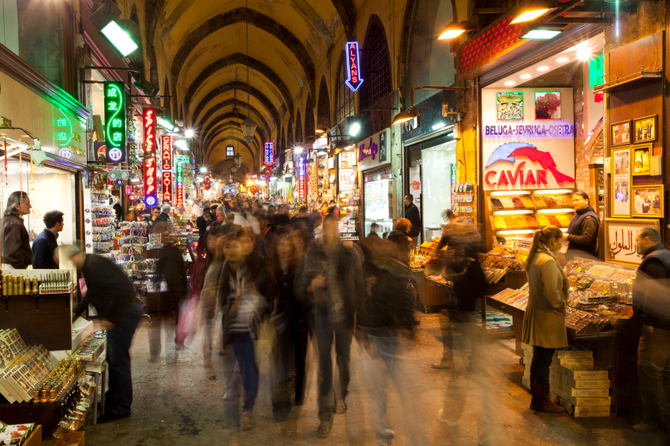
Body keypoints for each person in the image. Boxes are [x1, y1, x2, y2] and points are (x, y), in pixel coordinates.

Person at [299, 215, 364, 438]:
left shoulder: (349, 253)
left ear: (337, 230)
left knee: (344, 361)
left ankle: (341, 394)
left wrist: (360, 318)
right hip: (323, 315)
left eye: (332, 228)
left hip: (344, 315)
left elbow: (358, 283)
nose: (329, 232)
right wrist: (312, 285)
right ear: (321, 231)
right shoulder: (314, 253)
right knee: (324, 366)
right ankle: (324, 414)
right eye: (325, 228)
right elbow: (303, 286)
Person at [358, 236, 424, 446]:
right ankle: (385, 434)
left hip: (389, 334)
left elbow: (404, 298)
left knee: (397, 387)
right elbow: (361, 302)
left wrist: (409, 326)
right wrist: (363, 332)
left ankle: (409, 434)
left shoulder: (393, 271)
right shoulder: (368, 271)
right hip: (377, 334)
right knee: (382, 388)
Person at [68, 246, 143, 422]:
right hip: (122, 313)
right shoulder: (90, 265)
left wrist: (110, 317)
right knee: (114, 358)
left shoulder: (93, 265)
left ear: (73, 256)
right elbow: (91, 294)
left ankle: (120, 408)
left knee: (118, 361)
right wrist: (74, 315)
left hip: (123, 314)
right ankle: (113, 402)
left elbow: (119, 290)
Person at [217, 228, 276, 435]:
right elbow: (222, 293)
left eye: (236, 245)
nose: (232, 250)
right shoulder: (227, 267)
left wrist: (251, 294)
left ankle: (248, 409)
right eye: (228, 247)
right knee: (240, 365)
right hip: (234, 326)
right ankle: (240, 393)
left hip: (253, 325)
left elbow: (268, 289)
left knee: (250, 367)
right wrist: (225, 305)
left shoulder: (257, 263)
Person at [522, 226, 567, 415]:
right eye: (561, 240)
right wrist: (561, 304)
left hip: (538, 312)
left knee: (538, 358)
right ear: (553, 241)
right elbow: (552, 292)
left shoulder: (535, 258)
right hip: (548, 316)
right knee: (543, 361)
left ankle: (537, 400)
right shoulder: (547, 261)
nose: (562, 244)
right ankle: (542, 402)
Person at [631, 227, 670, 433]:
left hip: (658, 327)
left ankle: (654, 420)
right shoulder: (667, 256)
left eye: (637, 241)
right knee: (664, 371)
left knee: (650, 370)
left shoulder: (653, 261)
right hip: (666, 325)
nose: (635, 245)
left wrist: (648, 321)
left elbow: (654, 295)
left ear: (647, 239)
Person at [270, 230, 308, 417]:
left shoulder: (299, 267)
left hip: (299, 318)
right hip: (279, 320)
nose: (284, 248)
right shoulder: (273, 268)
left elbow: (304, 293)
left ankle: (299, 392)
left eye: (287, 245)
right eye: (281, 245)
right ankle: (281, 401)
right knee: (282, 361)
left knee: (300, 359)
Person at [150, 223, 188, 362]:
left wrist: (155, 284)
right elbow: (181, 271)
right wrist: (184, 290)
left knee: (164, 324)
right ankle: (170, 353)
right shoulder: (174, 251)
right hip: (174, 290)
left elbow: (161, 270)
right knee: (171, 324)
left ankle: (159, 353)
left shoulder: (165, 251)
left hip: (169, 291)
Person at [563, 191, 599, 258]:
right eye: (573, 200)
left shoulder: (589, 218)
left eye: (577, 200)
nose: (574, 203)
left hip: (584, 258)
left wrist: (568, 237)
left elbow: (587, 239)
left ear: (586, 201)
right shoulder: (577, 215)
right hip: (575, 256)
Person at [2, 191, 32, 269]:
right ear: (17, 206)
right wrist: (21, 268)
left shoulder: (6, 220)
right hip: (13, 269)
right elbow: (12, 253)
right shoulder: (14, 224)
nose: (30, 206)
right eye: (27, 203)